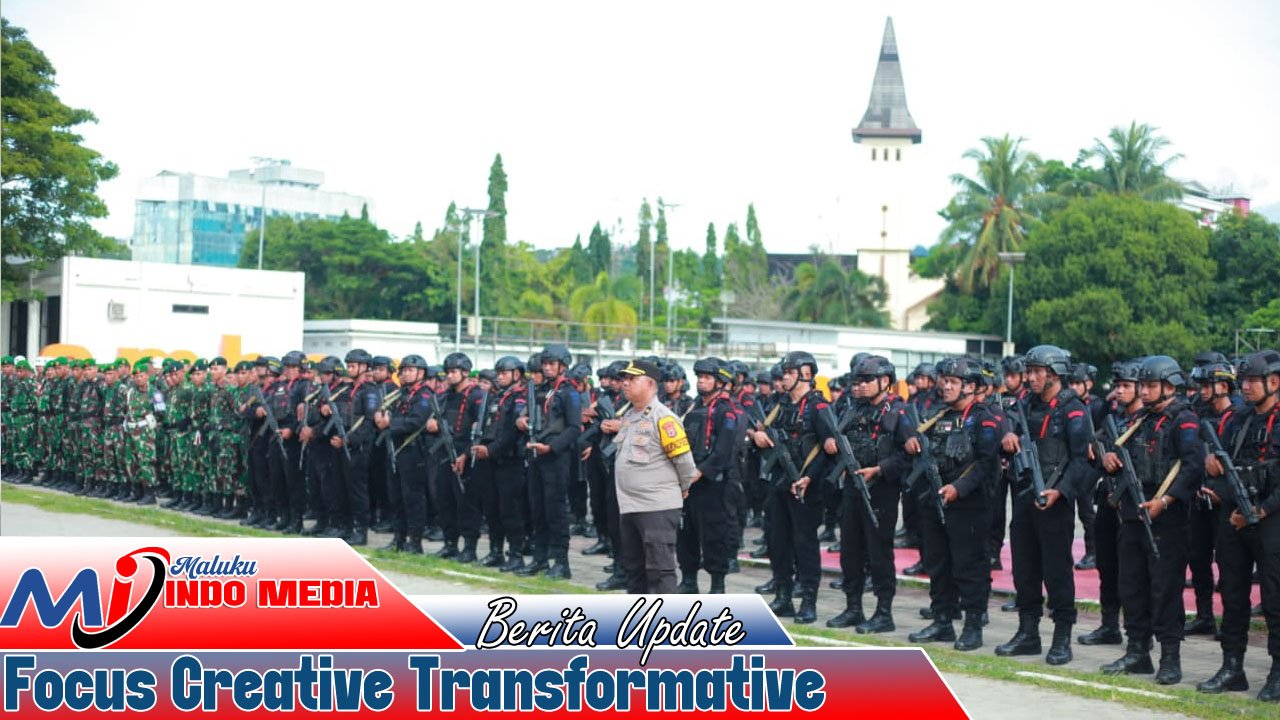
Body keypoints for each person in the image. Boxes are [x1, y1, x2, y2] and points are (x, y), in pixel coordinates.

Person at [1100, 355, 1202, 685]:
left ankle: (1169, 657)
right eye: (1141, 385)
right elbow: (1118, 452)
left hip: (1166, 518)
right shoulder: (1140, 420)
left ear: (1170, 387)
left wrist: (1167, 500)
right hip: (1133, 512)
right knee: (1131, 585)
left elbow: (1192, 468)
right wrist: (1111, 459)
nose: (1142, 391)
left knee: (1165, 589)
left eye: (1149, 385)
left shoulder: (1183, 420)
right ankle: (1137, 651)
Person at [997, 344, 1091, 666]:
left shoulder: (1073, 410)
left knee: (1057, 572)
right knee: (1024, 568)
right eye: (1030, 371)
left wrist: (1060, 491)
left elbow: (1082, 461)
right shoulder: (1024, 403)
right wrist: (1007, 435)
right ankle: (1028, 632)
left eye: (1037, 372)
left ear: (1054, 374)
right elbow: (1005, 418)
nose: (1030, 377)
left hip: (1055, 502)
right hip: (1023, 497)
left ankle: (1062, 635)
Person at [1198, 349, 1280, 701]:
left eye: (1251, 381)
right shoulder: (1237, 420)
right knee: (1232, 597)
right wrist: (1212, 471)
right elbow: (1220, 464)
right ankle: (1233, 667)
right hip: (1233, 518)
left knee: (1275, 601)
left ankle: (1277, 672)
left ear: (1273, 382)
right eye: (1242, 380)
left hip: (1270, 521)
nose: (1243, 387)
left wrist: (1261, 510)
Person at [906, 357, 1000, 651]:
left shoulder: (984, 417)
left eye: (952, 381)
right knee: (937, 563)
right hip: (935, 500)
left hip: (969, 505)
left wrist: (959, 488)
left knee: (969, 566)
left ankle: (973, 626)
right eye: (943, 380)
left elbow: (986, 463)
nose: (945, 385)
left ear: (970, 387)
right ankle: (942, 620)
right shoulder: (938, 416)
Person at [828, 355, 912, 634]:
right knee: (850, 551)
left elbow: (911, 455)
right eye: (857, 381)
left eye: (867, 381)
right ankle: (853, 607)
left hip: (882, 492)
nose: (860, 386)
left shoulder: (900, 413)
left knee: (879, 553)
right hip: (852, 488)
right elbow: (838, 438)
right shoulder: (852, 410)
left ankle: (883, 611)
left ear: (885, 382)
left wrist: (880, 469)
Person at [750, 351, 835, 624]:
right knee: (777, 541)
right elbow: (762, 431)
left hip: (806, 486)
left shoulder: (818, 407)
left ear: (805, 374)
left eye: (789, 372)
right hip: (779, 484)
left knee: (805, 544)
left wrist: (809, 476)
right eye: (783, 372)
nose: (783, 377)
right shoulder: (780, 405)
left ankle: (808, 600)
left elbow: (828, 448)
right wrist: (759, 437)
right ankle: (784, 595)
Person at [606, 359, 698, 593]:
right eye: (624, 379)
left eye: (632, 379)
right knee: (634, 569)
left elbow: (685, 462)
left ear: (650, 384)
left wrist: (684, 486)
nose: (625, 384)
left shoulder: (663, 418)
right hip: (630, 505)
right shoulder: (630, 416)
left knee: (660, 569)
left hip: (656, 506)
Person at [1078, 360, 1143, 647]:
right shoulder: (1115, 421)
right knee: (1107, 565)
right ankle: (1109, 625)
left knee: (1135, 572)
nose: (1119, 391)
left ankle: (1139, 633)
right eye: (1117, 386)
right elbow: (1092, 446)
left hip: (1136, 504)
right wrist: (1099, 454)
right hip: (1109, 499)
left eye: (1126, 386)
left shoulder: (1148, 421)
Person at [516, 344, 581, 579]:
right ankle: (540, 558)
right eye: (544, 363)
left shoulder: (568, 392)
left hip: (555, 456)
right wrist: (521, 421)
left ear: (563, 366)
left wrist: (551, 447)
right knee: (537, 508)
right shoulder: (540, 389)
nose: (547, 367)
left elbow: (574, 428)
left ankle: (561, 562)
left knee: (556, 510)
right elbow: (532, 416)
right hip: (535, 453)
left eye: (551, 363)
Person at [677, 357, 740, 594]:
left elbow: (724, 449)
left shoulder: (726, 410)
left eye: (707, 377)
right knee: (686, 532)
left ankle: (717, 586)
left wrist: (701, 471)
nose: (701, 381)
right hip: (688, 480)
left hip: (713, 483)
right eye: (699, 377)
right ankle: (689, 580)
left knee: (715, 534)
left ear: (720, 381)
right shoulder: (693, 407)